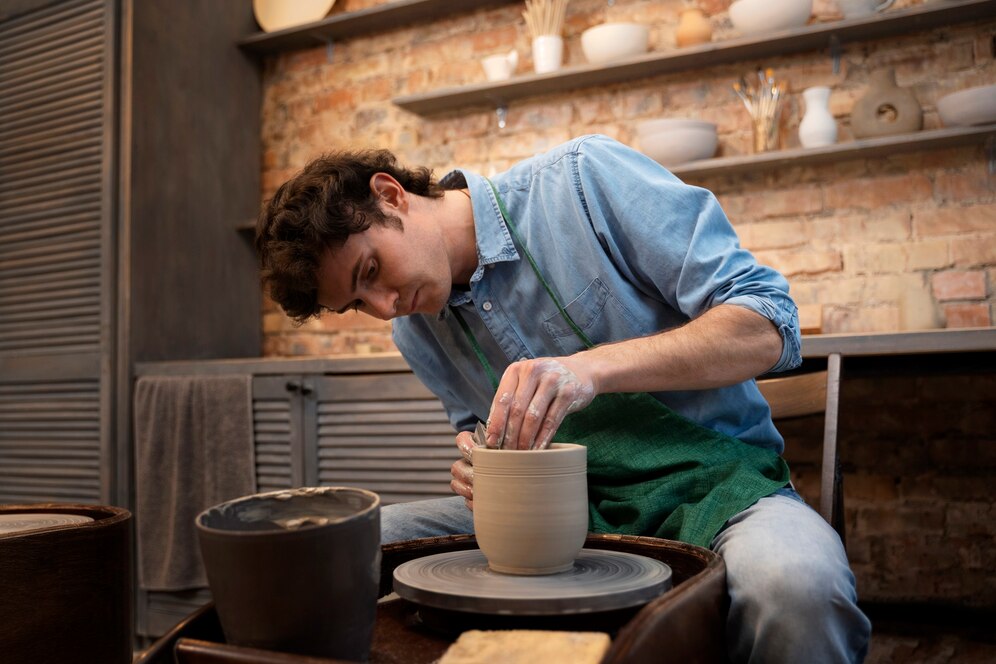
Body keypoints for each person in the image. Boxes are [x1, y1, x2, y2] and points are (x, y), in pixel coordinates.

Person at [256, 134, 871, 663]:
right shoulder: (415, 330)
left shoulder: (583, 183)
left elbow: (770, 321)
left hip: (723, 492)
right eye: (358, 304)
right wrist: (480, 462)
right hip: (571, 518)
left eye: (370, 271)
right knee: (338, 550)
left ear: (390, 194)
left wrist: (590, 370)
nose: (385, 306)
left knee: (799, 589)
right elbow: (484, 431)